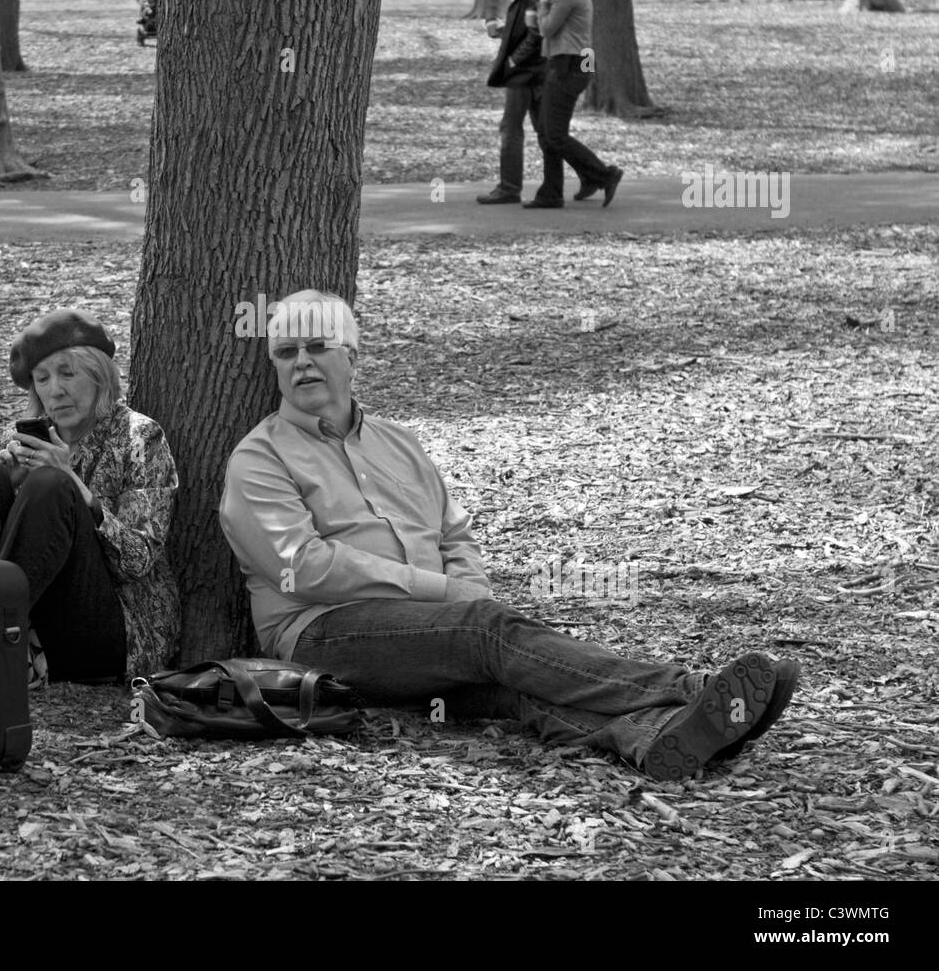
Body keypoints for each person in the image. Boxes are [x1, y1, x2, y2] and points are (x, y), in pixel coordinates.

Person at [219, 290, 800, 781]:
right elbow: (307, 566)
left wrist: (467, 588)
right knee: (488, 634)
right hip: (322, 633)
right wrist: (450, 596)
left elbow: (453, 534)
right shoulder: (260, 457)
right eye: (286, 353)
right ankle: (688, 689)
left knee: (511, 684)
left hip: (431, 632)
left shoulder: (398, 442)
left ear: (352, 356)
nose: (302, 364)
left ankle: (658, 738)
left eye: (317, 347)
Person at [0, 309, 180, 684]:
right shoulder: (34, 438)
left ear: (99, 376)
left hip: (113, 632)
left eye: (68, 373)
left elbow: (139, 560)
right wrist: (11, 482)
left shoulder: (140, 437)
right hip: (35, 622)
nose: (56, 390)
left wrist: (73, 483)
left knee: (52, 486)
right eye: (42, 379)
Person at [525, 0, 623, 210]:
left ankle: (603, 174)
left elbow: (546, 29)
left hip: (570, 66)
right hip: (575, 63)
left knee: (553, 135)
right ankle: (556, 191)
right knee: (549, 133)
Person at [478, 0, 546, 205]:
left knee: (510, 128)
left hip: (526, 73)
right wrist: (503, 30)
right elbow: (527, 29)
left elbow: (535, 34)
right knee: (548, 132)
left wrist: (514, 62)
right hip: (534, 71)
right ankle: (595, 174)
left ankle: (509, 187)